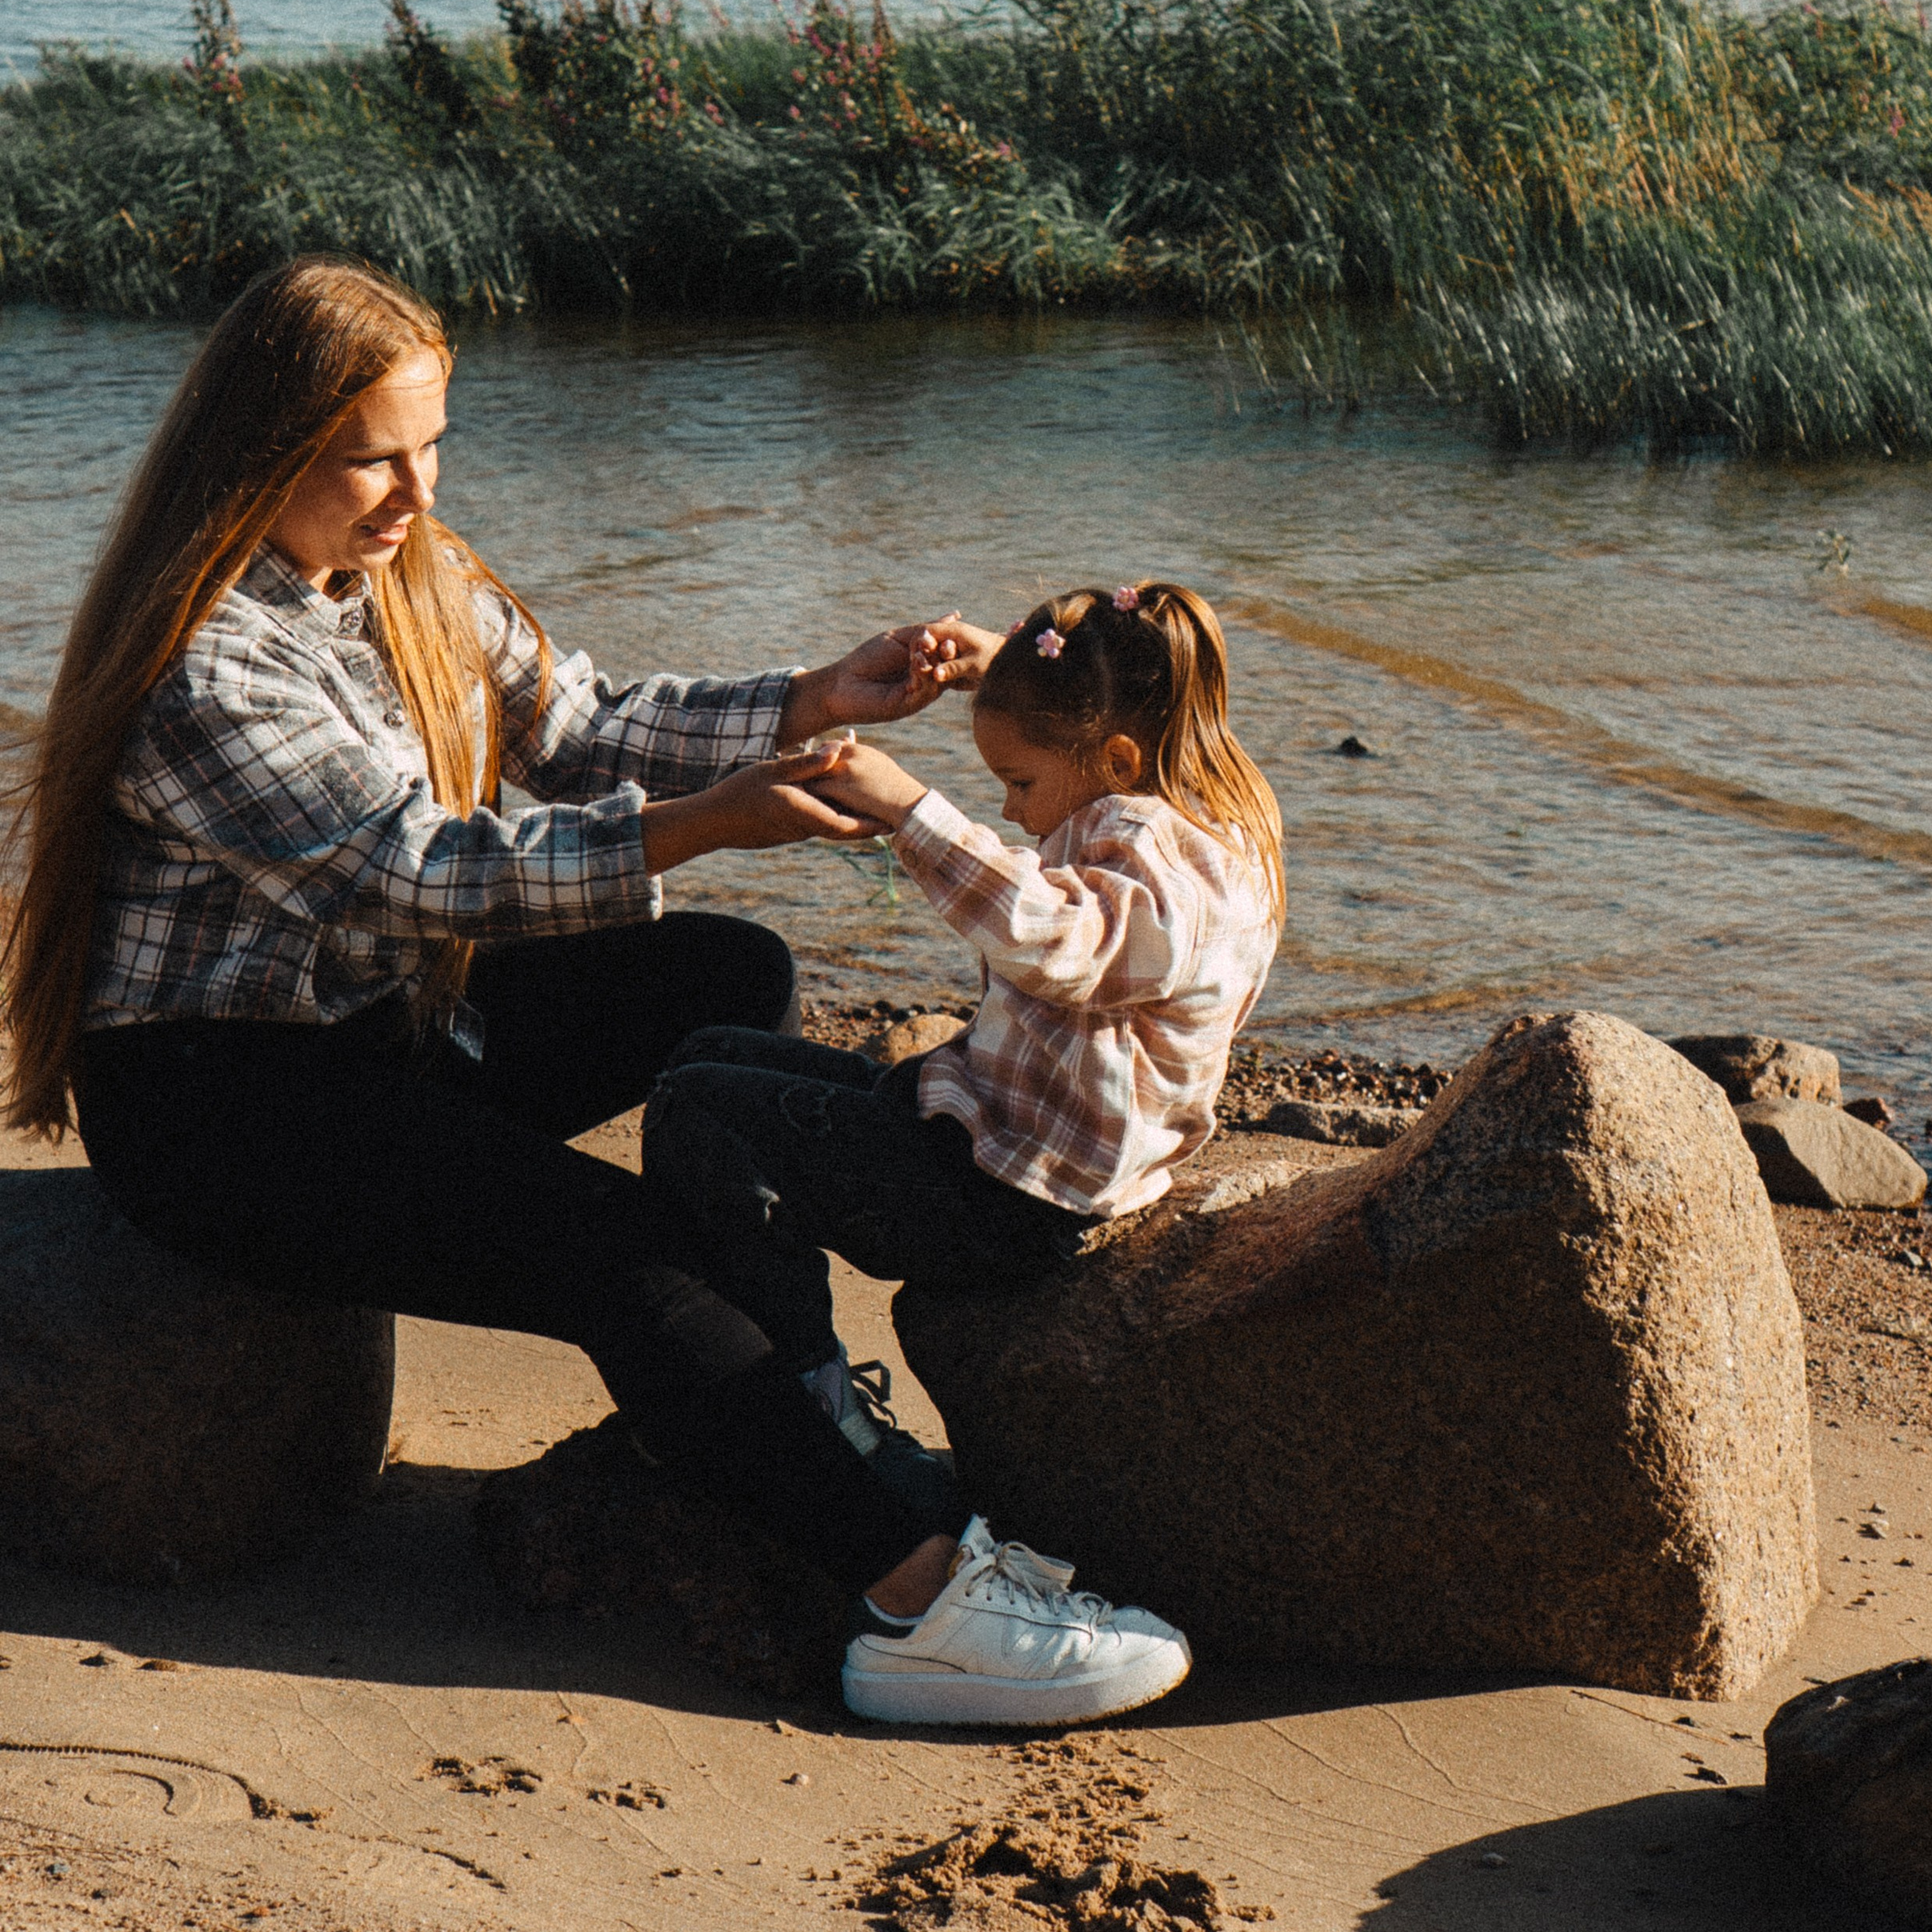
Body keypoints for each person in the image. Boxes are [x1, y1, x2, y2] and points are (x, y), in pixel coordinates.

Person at [1, 255, 1184, 1726]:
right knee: (622, 1252)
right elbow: (417, 872)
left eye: (432, 445)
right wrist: (701, 825)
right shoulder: (208, 667)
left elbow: (580, 725)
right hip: (225, 1106)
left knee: (728, 977)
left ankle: (782, 1387)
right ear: (261, 452)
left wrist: (816, 698)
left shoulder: (404, 570)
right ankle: (913, 1602)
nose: (417, 491)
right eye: (374, 460)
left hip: (391, 1024)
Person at [642, 580, 1285, 1724]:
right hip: (994, 1118)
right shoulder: (1202, 797)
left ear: (1118, 757)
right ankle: (762, 1354)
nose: (1015, 810)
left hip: (1009, 1195)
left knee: (702, 1114)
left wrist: (914, 811)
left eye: (1023, 785)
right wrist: (1013, 673)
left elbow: (1058, 939)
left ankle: (812, 1399)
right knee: (708, 1059)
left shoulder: (1163, 865)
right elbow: (1103, 735)